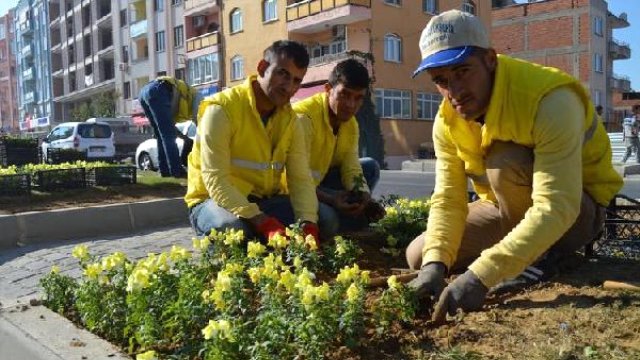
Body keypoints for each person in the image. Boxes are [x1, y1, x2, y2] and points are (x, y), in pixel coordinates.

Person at [405, 10, 623, 322]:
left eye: (462, 71)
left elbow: (556, 206)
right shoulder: (447, 121)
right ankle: (519, 252)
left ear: (491, 59)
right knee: (420, 256)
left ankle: (542, 257)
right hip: (507, 209)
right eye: (441, 80)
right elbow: (448, 199)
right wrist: (434, 266)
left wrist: (481, 275)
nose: (454, 92)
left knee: (503, 159)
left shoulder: (550, 100)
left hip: (575, 214)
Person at [185, 40, 320, 244]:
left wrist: (309, 224)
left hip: (262, 201)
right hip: (211, 201)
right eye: (283, 74)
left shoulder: (291, 120)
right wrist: (263, 222)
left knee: (324, 219)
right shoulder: (222, 110)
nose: (289, 87)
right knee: (231, 229)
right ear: (262, 68)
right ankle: (219, 263)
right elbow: (216, 181)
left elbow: (300, 179)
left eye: (296, 80)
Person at [291, 59, 386, 234]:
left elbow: (351, 167)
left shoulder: (350, 124)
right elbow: (292, 180)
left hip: (320, 183)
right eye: (344, 95)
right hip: (294, 187)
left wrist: (363, 196)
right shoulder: (303, 119)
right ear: (328, 89)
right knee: (329, 220)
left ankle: (348, 215)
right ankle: (338, 221)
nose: (351, 105)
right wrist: (332, 198)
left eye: (358, 98)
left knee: (370, 167)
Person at [139, 76, 202, 178]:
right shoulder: (199, 97)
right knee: (168, 136)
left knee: (161, 135)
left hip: (145, 92)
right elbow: (198, 120)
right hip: (159, 90)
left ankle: (164, 171)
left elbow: (170, 127)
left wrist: (184, 138)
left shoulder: (180, 100)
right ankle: (177, 171)